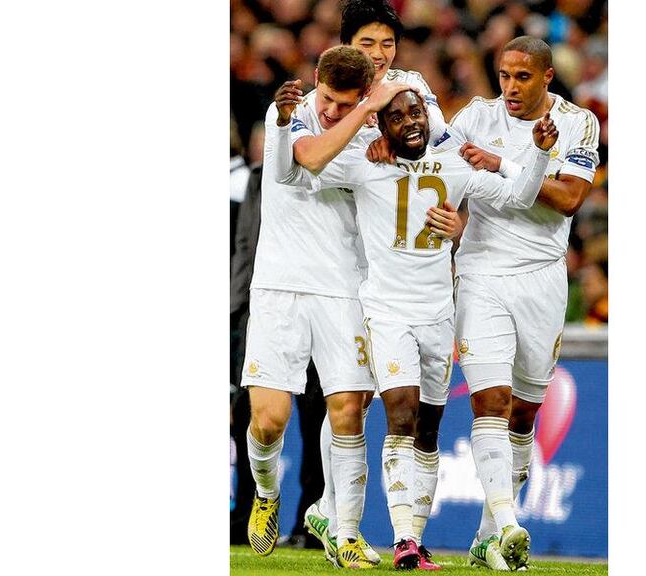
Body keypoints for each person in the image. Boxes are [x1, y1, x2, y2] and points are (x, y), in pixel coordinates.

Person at [273, 87, 558, 570]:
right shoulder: (364, 161)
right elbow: (292, 172)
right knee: (400, 414)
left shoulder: (453, 163)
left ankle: (416, 541)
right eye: (398, 116)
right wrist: (285, 126)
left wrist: (538, 152)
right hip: (385, 312)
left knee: (429, 427)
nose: (412, 121)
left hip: (438, 313)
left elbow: (522, 194)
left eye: (417, 111)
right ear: (381, 128)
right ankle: (401, 538)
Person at [242, 46, 414, 569]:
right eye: (331, 100)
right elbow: (307, 161)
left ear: (364, 93)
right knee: (269, 422)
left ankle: (345, 534)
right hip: (279, 287)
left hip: (345, 287)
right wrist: (364, 114)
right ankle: (267, 493)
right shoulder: (287, 111)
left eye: (349, 104)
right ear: (316, 79)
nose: (334, 111)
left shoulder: (372, 132)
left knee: (348, 412)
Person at [305, 0, 461, 570]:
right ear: (345, 46)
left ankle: (337, 513)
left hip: (393, 255)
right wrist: (359, 124)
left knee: (366, 398)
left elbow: (441, 155)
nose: (378, 55)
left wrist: (396, 143)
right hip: (337, 254)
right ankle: (334, 510)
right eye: (367, 44)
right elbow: (306, 158)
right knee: (350, 393)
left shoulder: (410, 87)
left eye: (387, 44)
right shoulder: (327, 87)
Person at [446, 36, 601, 571]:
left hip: (543, 278)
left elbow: (568, 199)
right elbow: (436, 170)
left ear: (547, 77)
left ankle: (489, 536)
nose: (510, 88)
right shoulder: (474, 116)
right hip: (482, 272)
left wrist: (502, 164)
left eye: (522, 77)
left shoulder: (578, 124)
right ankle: (511, 525)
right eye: (503, 76)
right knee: (489, 400)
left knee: (525, 413)